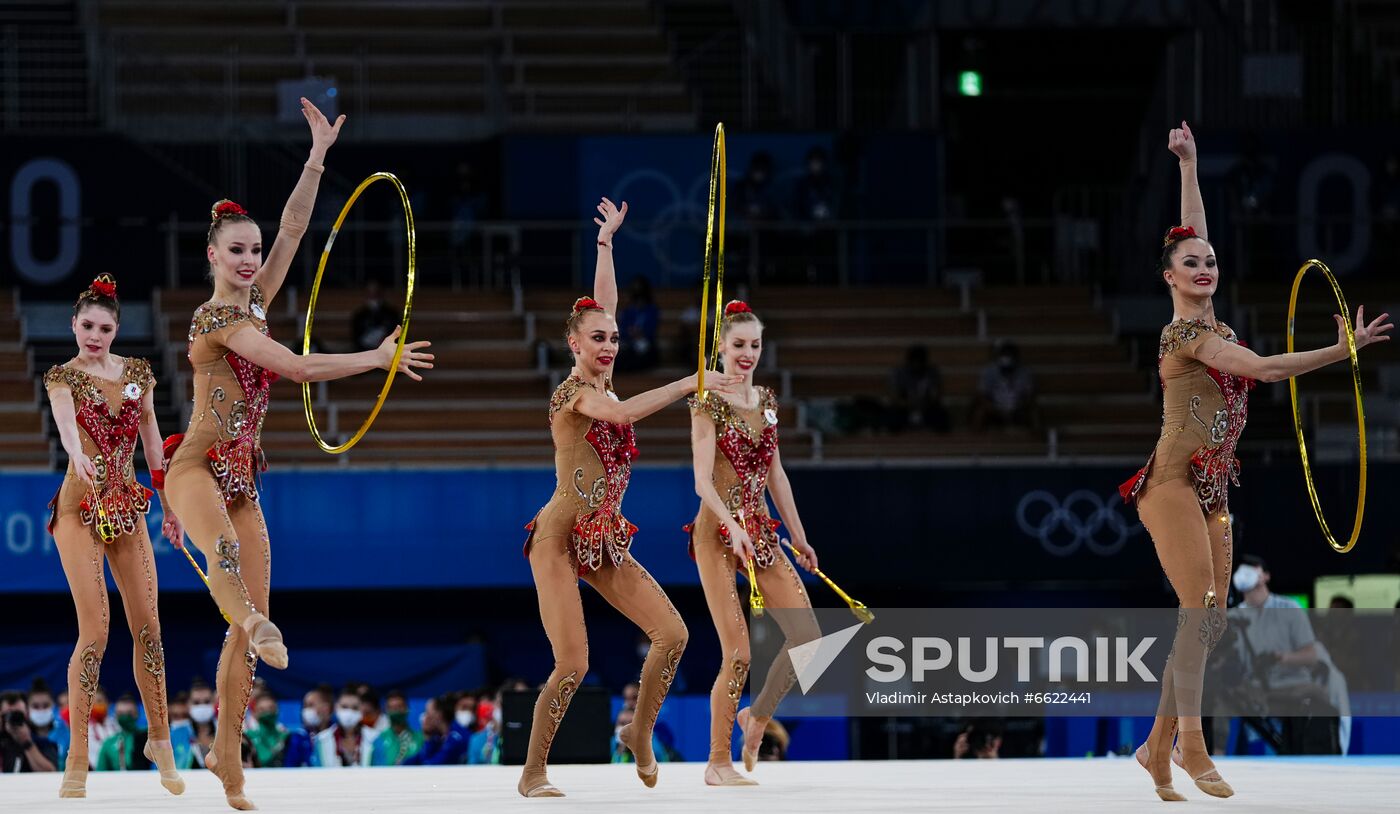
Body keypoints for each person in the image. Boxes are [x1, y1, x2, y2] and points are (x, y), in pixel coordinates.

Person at [162, 99, 432, 811]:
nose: (252, 260)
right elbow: (299, 368)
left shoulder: (255, 300)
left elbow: (294, 227)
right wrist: (374, 358)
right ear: (213, 256)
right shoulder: (218, 318)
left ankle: (228, 760)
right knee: (233, 582)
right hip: (195, 471)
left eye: (254, 251)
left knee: (248, 640)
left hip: (244, 483)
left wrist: (315, 155)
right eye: (238, 251)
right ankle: (248, 618)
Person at [1120, 121, 1391, 802]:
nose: (1204, 266)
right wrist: (1341, 351)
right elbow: (1268, 371)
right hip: (1172, 482)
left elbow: (1191, 232)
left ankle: (1152, 750)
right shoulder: (1188, 335)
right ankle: (1190, 745)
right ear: (1169, 280)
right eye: (1190, 265)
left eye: (1210, 260)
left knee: (1211, 621)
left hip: (1212, 487)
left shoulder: (1216, 320)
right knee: (1198, 605)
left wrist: (1189, 165)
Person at [517, 197, 736, 798]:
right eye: (597, 339)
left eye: (613, 338)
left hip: (605, 536)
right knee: (574, 663)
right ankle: (533, 772)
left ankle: (638, 734)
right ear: (573, 344)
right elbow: (621, 412)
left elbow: (604, 302)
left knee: (674, 635)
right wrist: (689, 381)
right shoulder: (575, 396)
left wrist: (606, 245)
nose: (609, 344)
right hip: (559, 537)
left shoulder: (603, 370)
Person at [42, 275, 185, 798]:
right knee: (97, 629)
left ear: (117, 329)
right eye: (86, 326)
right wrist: (74, 451)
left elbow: (152, 446)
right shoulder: (61, 376)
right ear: (73, 325)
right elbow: (63, 419)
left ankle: (161, 742)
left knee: (149, 626)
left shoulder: (138, 376)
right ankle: (77, 755)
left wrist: (169, 507)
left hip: (125, 505)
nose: (94, 336)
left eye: (104, 328)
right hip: (79, 506)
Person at [685, 299, 822, 786]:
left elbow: (776, 473)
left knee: (809, 638)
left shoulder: (765, 399)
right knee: (738, 652)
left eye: (755, 345)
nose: (748, 354)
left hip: (760, 531)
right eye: (739, 345)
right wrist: (732, 526)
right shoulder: (706, 400)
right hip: (716, 533)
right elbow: (702, 480)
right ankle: (717, 762)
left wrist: (799, 537)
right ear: (720, 348)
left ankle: (758, 716)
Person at [970, 341, 1038, 432]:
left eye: (1010, 355)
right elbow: (981, 394)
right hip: (995, 408)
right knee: (980, 412)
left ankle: (1036, 440)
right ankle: (976, 442)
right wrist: (993, 408)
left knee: (1034, 411)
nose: (1007, 359)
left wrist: (1020, 406)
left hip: (1018, 408)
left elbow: (1030, 395)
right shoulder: (989, 371)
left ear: (1016, 357)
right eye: (1004, 355)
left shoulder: (1025, 372)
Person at [888, 345, 950, 433]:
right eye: (914, 362)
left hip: (927, 408)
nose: (916, 365)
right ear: (908, 361)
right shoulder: (899, 373)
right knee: (892, 415)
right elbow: (894, 397)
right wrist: (909, 403)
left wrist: (924, 403)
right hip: (905, 408)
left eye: (919, 362)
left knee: (941, 415)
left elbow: (936, 395)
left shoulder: (932, 373)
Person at [313, 687, 376, 767]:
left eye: (355, 708)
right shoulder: (321, 740)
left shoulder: (374, 738)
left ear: (361, 710)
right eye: (344, 707)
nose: (349, 712)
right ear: (336, 708)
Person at [2, 690, 59, 773]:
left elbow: (50, 773)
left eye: (18, 714)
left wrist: (27, 743)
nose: (12, 719)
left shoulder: (43, 743)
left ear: (27, 714)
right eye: (7, 714)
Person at [405, 694, 468, 766]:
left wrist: (427, 738)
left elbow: (432, 766)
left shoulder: (456, 737)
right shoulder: (438, 738)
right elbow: (418, 758)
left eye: (427, 712)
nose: (425, 717)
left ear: (439, 714)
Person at [615, 276, 660, 372]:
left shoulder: (652, 310)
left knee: (645, 350)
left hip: (645, 344)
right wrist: (630, 333)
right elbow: (622, 328)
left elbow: (652, 329)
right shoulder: (628, 311)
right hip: (628, 343)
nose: (639, 301)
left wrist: (640, 333)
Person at [94, 694, 149, 772]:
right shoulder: (109, 743)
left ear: (137, 714)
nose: (125, 717)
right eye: (121, 713)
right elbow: (100, 772)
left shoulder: (148, 737)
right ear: (116, 715)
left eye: (129, 713)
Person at [370, 690, 423, 766]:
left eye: (399, 707)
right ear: (386, 710)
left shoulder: (420, 739)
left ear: (407, 708)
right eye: (392, 708)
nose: (396, 711)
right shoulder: (378, 741)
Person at [25, 681, 66, 771]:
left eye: (46, 705)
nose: (41, 710)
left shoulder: (67, 735)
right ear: (27, 708)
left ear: (53, 706)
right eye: (35, 706)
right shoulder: (22, 735)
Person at [350, 276, 399, 351]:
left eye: (376, 293)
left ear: (381, 293)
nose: (373, 296)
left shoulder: (392, 313)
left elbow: (396, 334)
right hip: (364, 351)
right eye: (370, 293)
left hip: (387, 350)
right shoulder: (359, 315)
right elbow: (356, 337)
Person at [246, 692, 289, 768]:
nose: (267, 713)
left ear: (277, 710)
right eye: (262, 710)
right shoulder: (248, 737)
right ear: (255, 713)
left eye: (271, 708)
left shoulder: (287, 736)